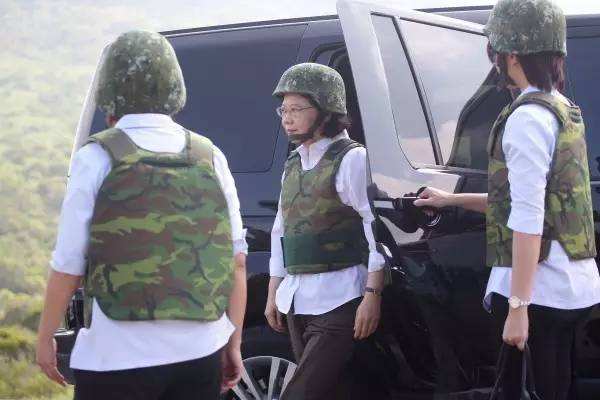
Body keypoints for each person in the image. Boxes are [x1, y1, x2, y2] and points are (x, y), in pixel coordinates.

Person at [35, 30, 247, 400]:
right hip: (200, 352)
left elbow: (69, 265)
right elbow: (237, 262)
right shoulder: (210, 155)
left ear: (108, 91)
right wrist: (233, 341)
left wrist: (45, 337)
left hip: (117, 355)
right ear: (175, 87)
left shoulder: (96, 157)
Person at [414, 1, 600, 398]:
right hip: (574, 287)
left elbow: (528, 218)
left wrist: (518, 307)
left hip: (540, 295)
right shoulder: (563, 109)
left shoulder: (526, 118)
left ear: (512, 54)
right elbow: (528, 200)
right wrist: (451, 200)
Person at [263, 62, 386, 400]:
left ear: (325, 110)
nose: (287, 118)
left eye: (296, 109)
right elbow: (280, 229)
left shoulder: (352, 159)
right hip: (297, 300)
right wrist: (273, 289)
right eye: (283, 110)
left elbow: (374, 228)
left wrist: (373, 295)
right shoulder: (293, 163)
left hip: (340, 299)